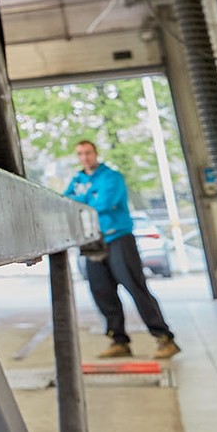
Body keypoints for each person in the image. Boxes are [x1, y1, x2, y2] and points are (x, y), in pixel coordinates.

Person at [64, 139, 181, 360]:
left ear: (95, 154)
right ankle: (118, 341)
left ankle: (164, 337)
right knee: (102, 292)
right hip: (92, 243)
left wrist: (81, 201)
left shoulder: (112, 177)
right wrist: (87, 199)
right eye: (80, 153)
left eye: (88, 153)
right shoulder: (77, 180)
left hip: (118, 239)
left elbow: (104, 204)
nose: (85, 157)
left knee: (135, 287)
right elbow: (66, 202)